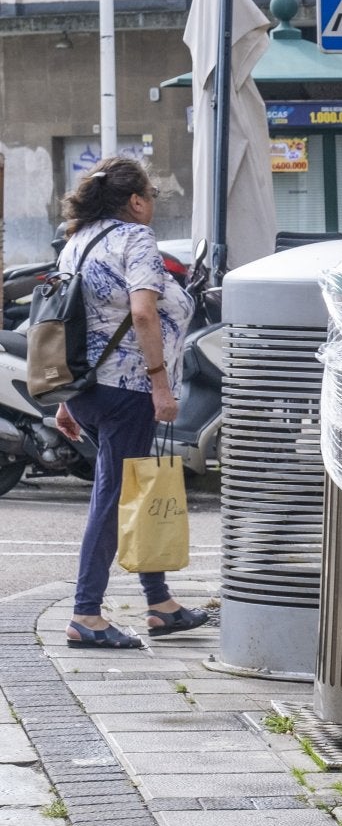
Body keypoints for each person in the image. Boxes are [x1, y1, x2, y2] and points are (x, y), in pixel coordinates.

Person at [50, 158, 208, 650]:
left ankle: (161, 604)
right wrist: (160, 385)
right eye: (151, 195)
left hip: (88, 388)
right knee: (115, 496)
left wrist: (67, 397)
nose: (152, 204)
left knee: (132, 486)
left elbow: (68, 320)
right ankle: (85, 614)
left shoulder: (76, 241)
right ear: (135, 201)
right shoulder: (135, 239)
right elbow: (143, 313)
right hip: (128, 389)